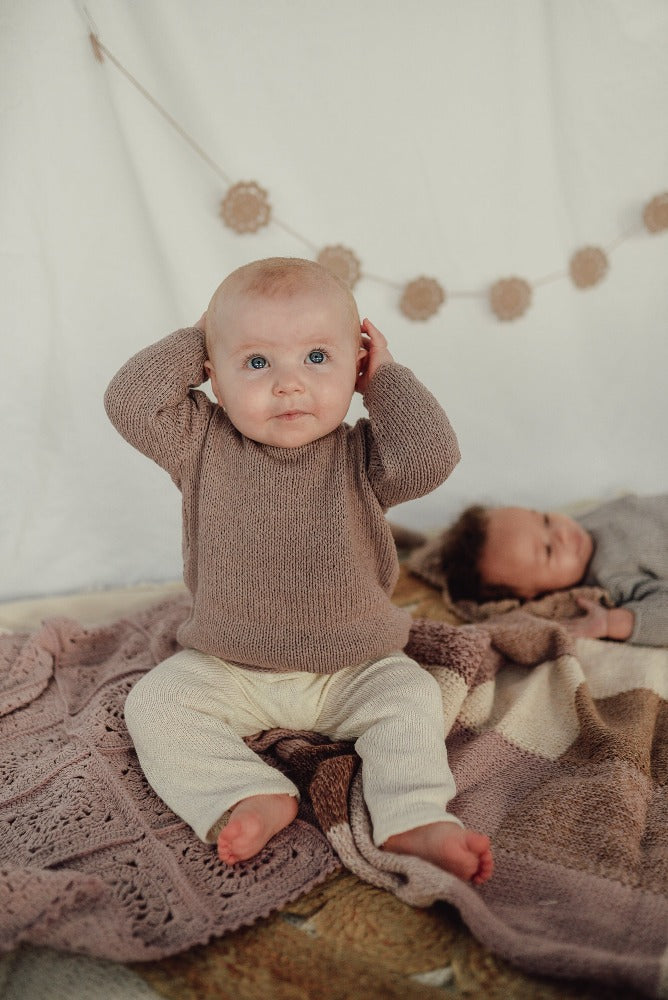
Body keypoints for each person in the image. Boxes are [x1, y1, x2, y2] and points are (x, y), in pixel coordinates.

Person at [104, 256, 493, 885]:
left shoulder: (364, 455)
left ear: (355, 369)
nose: (289, 384)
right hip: (232, 665)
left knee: (411, 697)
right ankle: (247, 791)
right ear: (214, 376)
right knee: (156, 703)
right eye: (257, 363)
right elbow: (130, 399)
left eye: (317, 358)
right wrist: (193, 339)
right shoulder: (199, 442)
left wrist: (389, 379)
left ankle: (413, 815)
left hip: (354, 666)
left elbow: (431, 456)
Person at [441, 495, 668, 646]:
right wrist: (612, 622)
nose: (562, 533)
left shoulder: (582, 524)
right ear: (533, 594)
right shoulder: (610, 578)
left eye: (545, 519)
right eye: (548, 551)